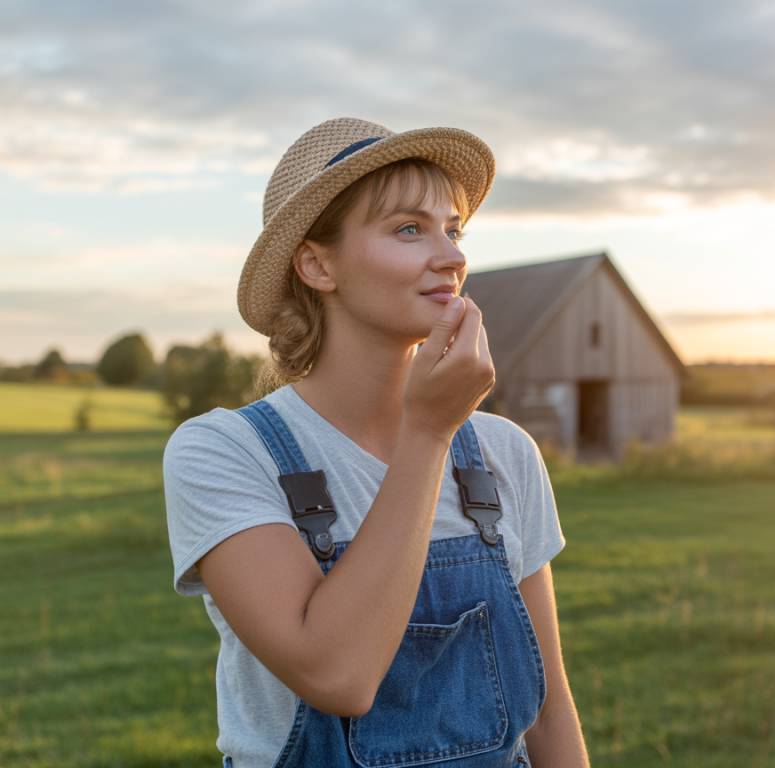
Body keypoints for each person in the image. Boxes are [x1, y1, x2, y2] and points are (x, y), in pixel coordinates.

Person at [162, 117, 590, 767]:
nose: (451, 257)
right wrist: (429, 432)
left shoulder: (505, 453)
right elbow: (338, 676)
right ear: (317, 265)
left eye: (453, 230)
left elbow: (550, 712)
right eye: (409, 229)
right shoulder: (225, 451)